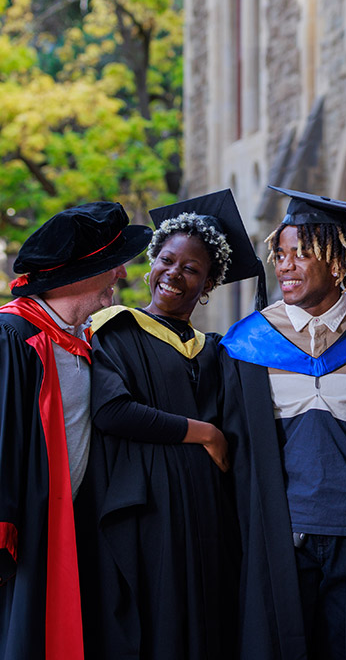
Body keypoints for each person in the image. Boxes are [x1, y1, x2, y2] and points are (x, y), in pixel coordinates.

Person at [0, 202, 151, 659]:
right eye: (112, 266)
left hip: (55, 532)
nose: (121, 275)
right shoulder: (6, 338)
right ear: (78, 275)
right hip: (2, 546)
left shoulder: (74, 339)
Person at [220, 186, 346, 660]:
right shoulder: (251, 344)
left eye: (301, 254)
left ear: (339, 260)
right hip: (282, 536)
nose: (284, 266)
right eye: (280, 254)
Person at [78, 189, 262, 658]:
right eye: (167, 259)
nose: (174, 274)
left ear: (208, 286)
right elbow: (111, 411)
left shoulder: (218, 349)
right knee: (153, 626)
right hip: (147, 511)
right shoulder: (115, 329)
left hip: (207, 515)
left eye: (192, 269)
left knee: (206, 626)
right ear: (152, 261)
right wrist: (205, 432)